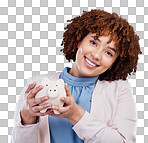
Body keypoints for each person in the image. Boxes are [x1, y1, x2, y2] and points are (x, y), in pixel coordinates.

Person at [11, 9, 142, 143]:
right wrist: (27, 115)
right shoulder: (38, 83)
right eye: (93, 43)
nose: (96, 55)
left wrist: (75, 114)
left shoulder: (120, 90)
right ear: (79, 40)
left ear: (115, 62)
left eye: (109, 53)